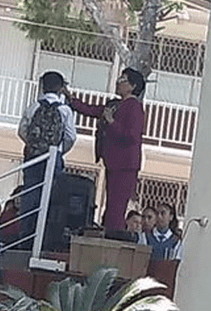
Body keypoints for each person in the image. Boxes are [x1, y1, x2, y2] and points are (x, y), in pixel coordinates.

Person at [69, 68, 146, 233]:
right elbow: (93, 110)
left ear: (133, 86)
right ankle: (108, 232)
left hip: (125, 164)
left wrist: (112, 122)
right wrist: (72, 100)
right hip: (114, 162)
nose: (118, 82)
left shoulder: (135, 107)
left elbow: (132, 136)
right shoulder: (115, 105)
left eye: (123, 79)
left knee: (116, 207)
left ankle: (112, 237)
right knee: (111, 204)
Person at [17, 71, 76, 246]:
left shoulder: (33, 106)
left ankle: (25, 236)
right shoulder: (64, 110)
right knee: (52, 197)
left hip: (33, 158)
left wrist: (34, 145)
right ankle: (47, 238)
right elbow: (71, 136)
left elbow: (21, 130)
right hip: (53, 158)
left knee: (30, 195)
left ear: (43, 86)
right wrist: (57, 151)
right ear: (60, 88)